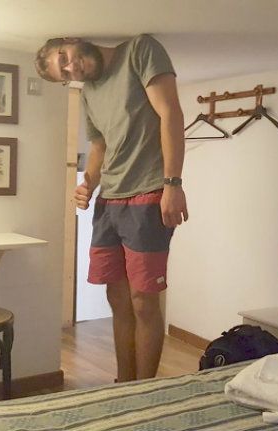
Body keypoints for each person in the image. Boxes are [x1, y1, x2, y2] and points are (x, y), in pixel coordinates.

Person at [34, 34, 188, 381]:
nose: (72, 68)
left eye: (65, 58)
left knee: (143, 299)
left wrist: (173, 184)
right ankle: (124, 383)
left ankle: (144, 389)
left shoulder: (139, 50)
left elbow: (170, 113)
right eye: (64, 74)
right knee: (117, 298)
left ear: (70, 41)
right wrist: (88, 183)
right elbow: (100, 146)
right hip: (109, 202)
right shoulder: (89, 93)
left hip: (149, 193)